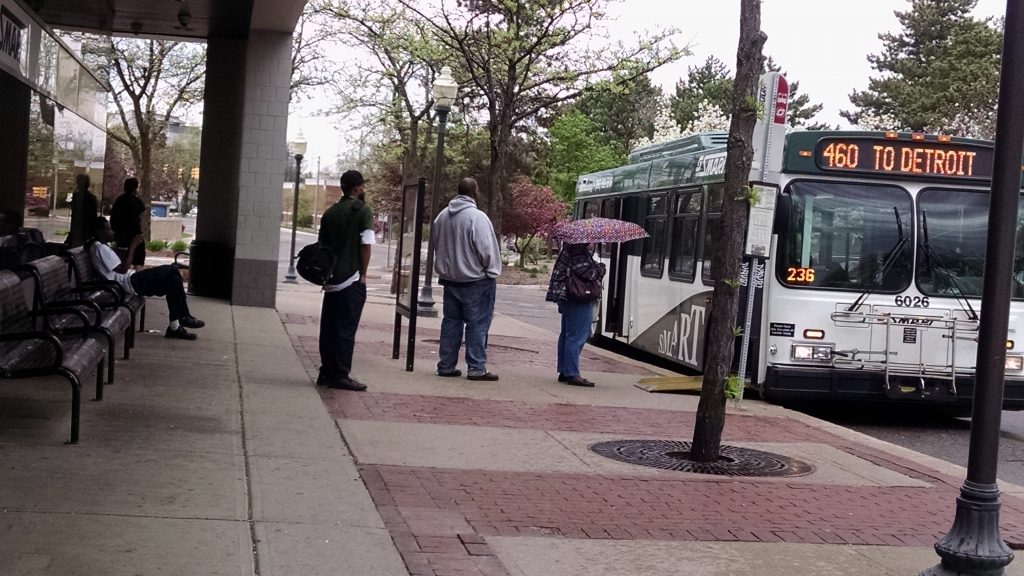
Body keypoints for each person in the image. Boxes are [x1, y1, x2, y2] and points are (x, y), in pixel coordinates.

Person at [431, 177, 502, 381]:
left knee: (451, 323)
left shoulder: (442, 217)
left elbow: (437, 244)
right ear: (475, 191)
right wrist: (491, 271)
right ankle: (476, 367)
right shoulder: (477, 218)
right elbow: (487, 250)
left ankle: (446, 365)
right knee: (477, 324)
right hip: (475, 280)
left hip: (450, 280)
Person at [89, 217, 205, 340]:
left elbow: (118, 266)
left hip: (131, 280)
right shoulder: (99, 248)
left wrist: (126, 249)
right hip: (129, 283)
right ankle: (183, 316)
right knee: (171, 269)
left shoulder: (102, 247)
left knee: (174, 281)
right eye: (109, 229)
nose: (112, 232)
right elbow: (122, 269)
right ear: (99, 232)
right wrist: (133, 247)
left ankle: (175, 327)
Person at [316, 169, 374, 391]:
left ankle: (326, 371)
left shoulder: (330, 213)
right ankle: (340, 374)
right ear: (357, 188)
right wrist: (364, 274)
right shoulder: (363, 211)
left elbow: (323, 246)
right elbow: (366, 244)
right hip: (351, 279)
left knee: (329, 327)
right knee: (346, 329)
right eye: (363, 186)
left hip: (331, 279)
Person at [545, 243, 605, 387]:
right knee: (578, 336)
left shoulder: (570, 246)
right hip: (576, 297)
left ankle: (565, 370)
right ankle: (572, 373)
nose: (593, 242)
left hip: (566, 296)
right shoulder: (578, 248)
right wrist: (600, 269)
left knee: (567, 335)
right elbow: (584, 270)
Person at [109, 177, 147, 271]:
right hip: (135, 236)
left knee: (121, 260)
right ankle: (137, 281)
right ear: (135, 188)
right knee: (138, 261)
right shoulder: (136, 201)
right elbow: (141, 219)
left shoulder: (119, 201)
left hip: (121, 237)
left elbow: (112, 219)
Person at [67, 174, 98, 247]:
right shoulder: (91, 198)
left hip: (79, 231)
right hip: (86, 232)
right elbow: (93, 217)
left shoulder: (76, 196)